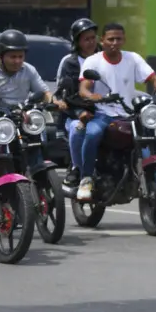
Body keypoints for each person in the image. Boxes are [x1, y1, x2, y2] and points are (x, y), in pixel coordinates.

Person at [76, 23, 156, 202]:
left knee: (153, 132)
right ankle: (86, 179)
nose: (114, 42)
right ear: (102, 40)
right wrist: (92, 96)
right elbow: (84, 87)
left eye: (118, 39)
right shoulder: (93, 61)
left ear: (124, 40)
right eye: (110, 39)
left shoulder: (132, 58)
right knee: (92, 133)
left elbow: (154, 78)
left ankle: (155, 177)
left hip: (130, 114)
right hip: (103, 113)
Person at [54, 18, 100, 189]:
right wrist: (79, 111)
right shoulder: (70, 62)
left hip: (105, 111)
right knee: (76, 128)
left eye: (93, 37)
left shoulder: (105, 58)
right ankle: (77, 169)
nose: (90, 42)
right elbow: (64, 93)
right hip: (75, 112)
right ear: (77, 42)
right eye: (86, 39)